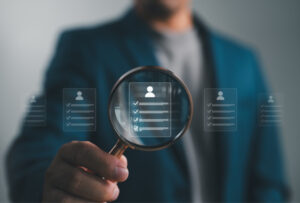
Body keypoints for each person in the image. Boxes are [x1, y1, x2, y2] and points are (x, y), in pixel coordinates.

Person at [6, 0, 289, 202]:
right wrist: (52, 186)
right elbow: (38, 152)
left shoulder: (244, 61)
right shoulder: (85, 49)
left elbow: (268, 180)